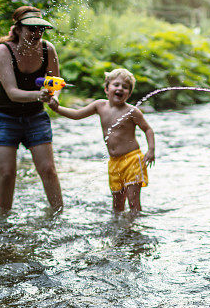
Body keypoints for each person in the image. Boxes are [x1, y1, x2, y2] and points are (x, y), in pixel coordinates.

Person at [44, 68, 155, 214]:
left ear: (129, 93)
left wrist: (151, 150)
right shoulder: (99, 106)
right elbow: (77, 114)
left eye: (125, 87)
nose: (120, 88)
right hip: (114, 162)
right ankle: (119, 230)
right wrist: (57, 109)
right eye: (116, 85)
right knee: (117, 206)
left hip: (133, 160)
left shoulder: (132, 111)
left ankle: (133, 231)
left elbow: (147, 129)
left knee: (134, 203)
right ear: (106, 89)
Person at [0, 6, 63, 212]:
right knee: (6, 173)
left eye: (41, 29)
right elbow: (12, 92)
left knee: (48, 170)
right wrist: (40, 95)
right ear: (18, 29)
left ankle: (58, 214)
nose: (37, 34)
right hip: (4, 116)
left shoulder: (49, 50)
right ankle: (2, 218)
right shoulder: (4, 50)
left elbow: (54, 85)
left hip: (35, 116)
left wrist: (53, 98)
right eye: (32, 29)